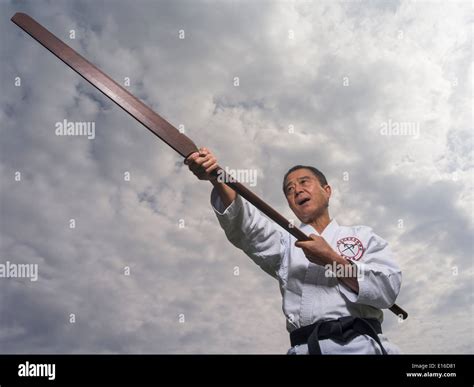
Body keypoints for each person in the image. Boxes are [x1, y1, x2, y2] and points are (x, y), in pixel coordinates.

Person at [185, 147, 402, 354]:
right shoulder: (285, 242)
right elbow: (248, 226)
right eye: (290, 189)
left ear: (327, 191)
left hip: (364, 347)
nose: (297, 190)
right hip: (307, 348)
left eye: (304, 182)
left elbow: (387, 289)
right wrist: (217, 176)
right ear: (290, 203)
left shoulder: (363, 236)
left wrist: (331, 259)